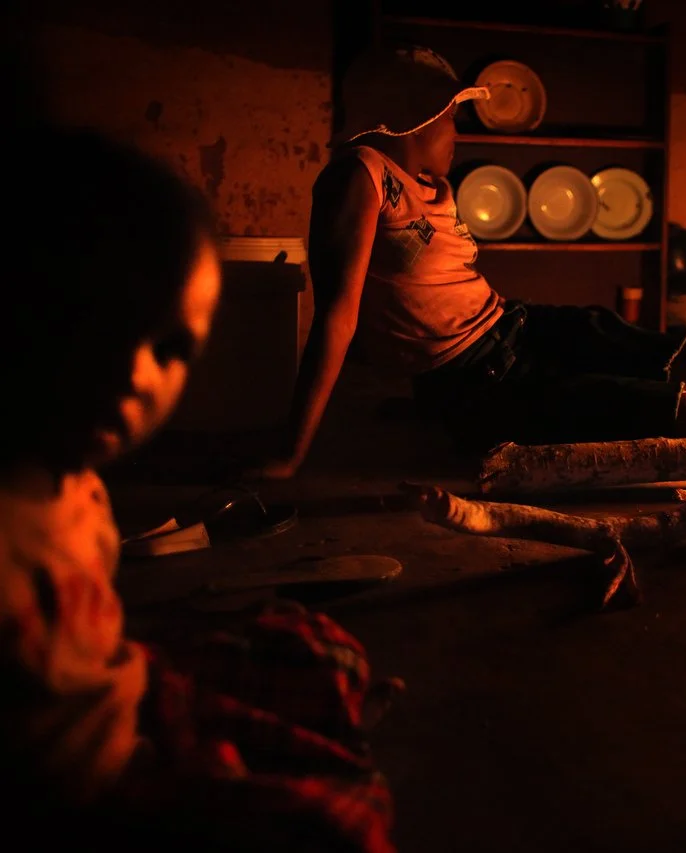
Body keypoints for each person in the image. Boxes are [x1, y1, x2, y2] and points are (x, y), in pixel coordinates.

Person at [0, 127, 396, 851]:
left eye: (172, 347)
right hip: (82, 785)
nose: (135, 374)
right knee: (341, 824)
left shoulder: (79, 487)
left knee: (312, 645)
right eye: (94, 328)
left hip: (123, 696)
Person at [260, 47, 686, 479]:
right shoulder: (361, 173)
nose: (457, 130)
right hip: (477, 379)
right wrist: (292, 453)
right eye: (451, 114)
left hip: (518, 326)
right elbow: (336, 316)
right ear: (416, 114)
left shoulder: (432, 185)